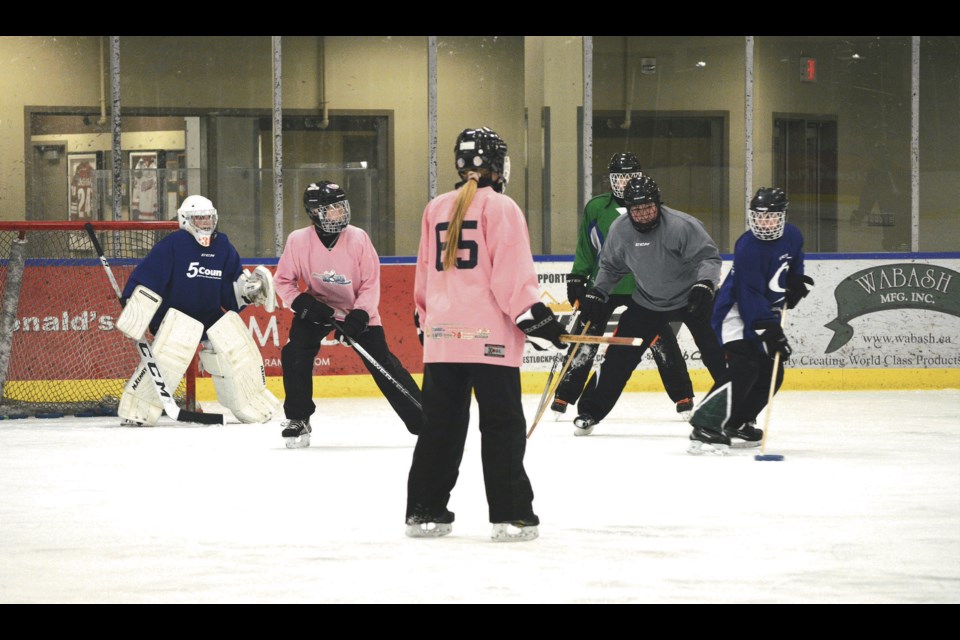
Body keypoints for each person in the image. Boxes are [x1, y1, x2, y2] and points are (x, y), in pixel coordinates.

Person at [405, 127, 566, 542]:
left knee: (439, 427)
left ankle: (426, 511)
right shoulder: (501, 207)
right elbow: (511, 278)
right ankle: (511, 515)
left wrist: (428, 322)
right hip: (489, 340)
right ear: (498, 165)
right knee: (501, 428)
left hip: (441, 339)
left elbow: (423, 278)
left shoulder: (435, 207)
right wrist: (537, 319)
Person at [575, 176, 729, 439]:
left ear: (658, 203)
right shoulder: (620, 230)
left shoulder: (682, 226)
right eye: (637, 209)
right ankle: (590, 411)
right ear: (628, 208)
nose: (644, 214)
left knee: (719, 356)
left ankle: (736, 413)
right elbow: (611, 267)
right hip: (647, 301)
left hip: (692, 298)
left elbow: (708, 257)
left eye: (648, 207)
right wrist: (598, 292)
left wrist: (705, 284)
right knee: (618, 358)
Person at [274, 180, 422, 448]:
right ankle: (298, 418)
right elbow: (283, 281)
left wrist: (360, 315)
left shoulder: (358, 238)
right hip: (317, 310)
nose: (340, 214)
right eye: (332, 210)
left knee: (383, 363)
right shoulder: (298, 241)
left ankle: (425, 420)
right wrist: (303, 304)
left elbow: (370, 283)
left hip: (357, 311)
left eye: (342, 208)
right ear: (315, 212)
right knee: (295, 353)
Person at [116, 194, 281, 426]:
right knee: (173, 351)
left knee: (235, 343)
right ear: (185, 220)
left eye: (208, 217)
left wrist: (248, 292)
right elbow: (148, 278)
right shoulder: (174, 245)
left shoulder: (223, 246)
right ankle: (138, 410)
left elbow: (230, 294)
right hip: (173, 317)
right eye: (199, 218)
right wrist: (134, 305)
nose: (205, 223)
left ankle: (251, 404)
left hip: (209, 315)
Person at [557, 152, 696, 423]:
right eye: (617, 177)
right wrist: (577, 277)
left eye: (628, 176)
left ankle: (683, 395)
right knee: (586, 334)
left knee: (661, 338)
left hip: (644, 287)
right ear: (610, 180)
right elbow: (586, 246)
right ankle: (565, 394)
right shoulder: (596, 207)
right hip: (603, 285)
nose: (623, 183)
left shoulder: (651, 208)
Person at [687, 187, 812, 453]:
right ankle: (705, 424)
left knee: (772, 373)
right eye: (758, 217)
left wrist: (795, 282)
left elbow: (793, 263)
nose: (764, 223)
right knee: (745, 367)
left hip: (763, 312)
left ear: (782, 217)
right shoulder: (747, 247)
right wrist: (769, 331)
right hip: (734, 313)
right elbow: (749, 294)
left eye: (770, 218)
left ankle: (736, 422)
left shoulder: (792, 235)